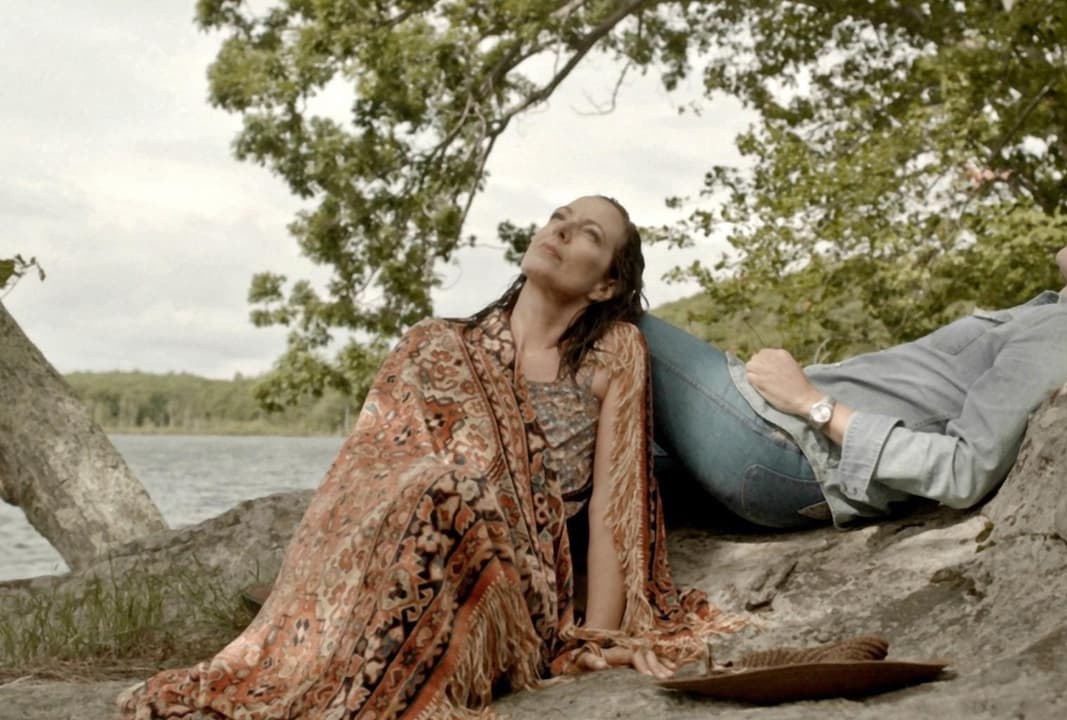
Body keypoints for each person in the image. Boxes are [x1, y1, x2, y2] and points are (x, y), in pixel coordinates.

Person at [119, 196, 725, 719]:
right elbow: (364, 477)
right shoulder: (434, 345)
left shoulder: (612, 352)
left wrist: (597, 638)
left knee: (448, 490)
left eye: (588, 233)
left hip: (510, 592)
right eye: (558, 218)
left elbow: (615, 503)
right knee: (427, 485)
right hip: (405, 562)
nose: (561, 230)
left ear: (606, 285)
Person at [640, 177, 1067, 530]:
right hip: (777, 452)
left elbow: (965, 469)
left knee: (613, 313)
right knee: (595, 473)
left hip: (784, 445)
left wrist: (813, 404)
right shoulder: (1054, 318)